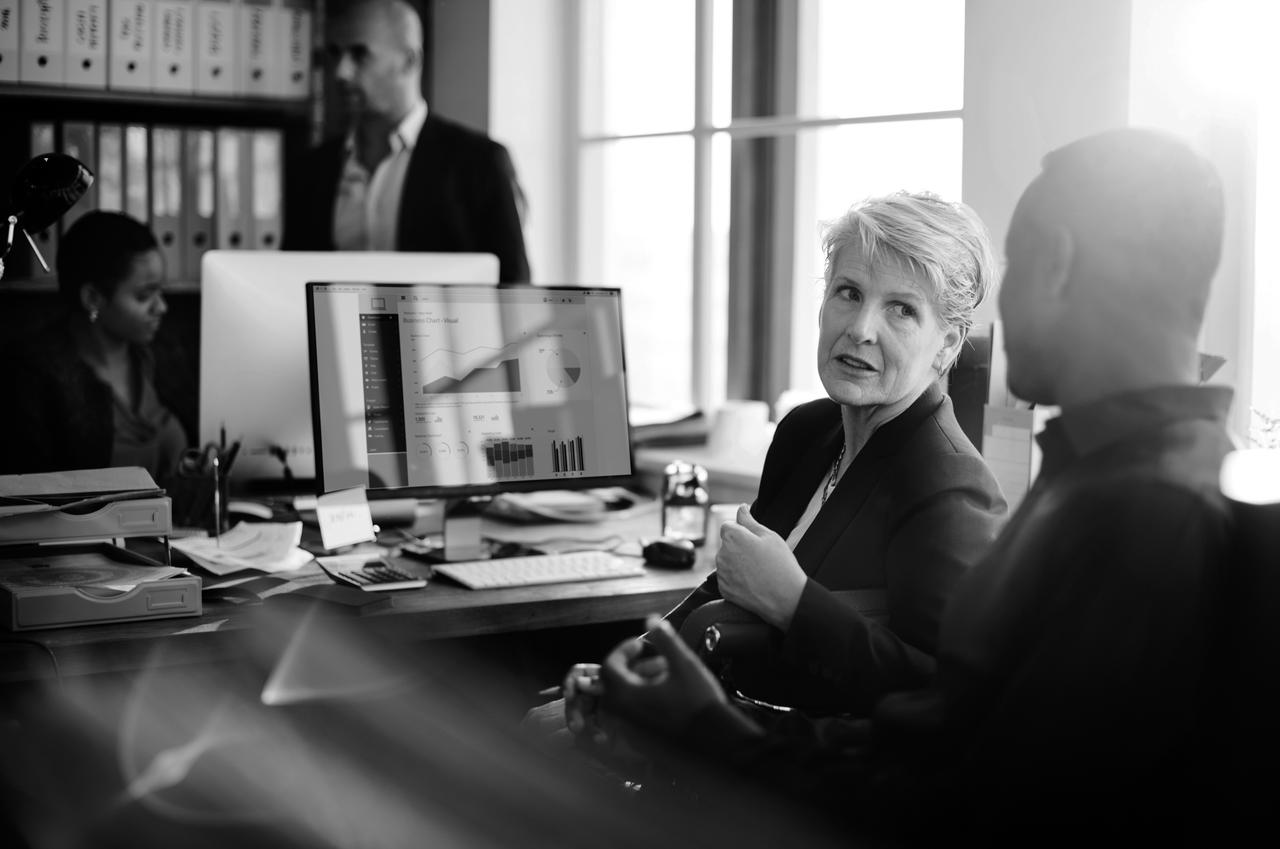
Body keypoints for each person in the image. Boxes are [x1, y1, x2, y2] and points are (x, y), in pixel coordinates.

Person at [587, 128, 1237, 842]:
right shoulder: (1108, 483)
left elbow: (957, 794)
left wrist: (715, 733)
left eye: (1013, 266)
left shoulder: (1138, 517)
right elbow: (942, 742)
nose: (863, 328)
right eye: (848, 293)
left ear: (1054, 266)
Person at [529, 192, 1007, 738]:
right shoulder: (808, 429)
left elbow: (939, 697)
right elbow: (729, 586)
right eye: (849, 293)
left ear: (946, 344)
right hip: (724, 735)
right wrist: (621, 678)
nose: (861, 328)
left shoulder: (949, 484)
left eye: (902, 309)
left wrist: (795, 604)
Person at [281, 0, 531, 285]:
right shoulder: (310, 170)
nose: (341, 72)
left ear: (410, 60)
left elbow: (516, 294)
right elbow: (291, 285)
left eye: (359, 54)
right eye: (335, 54)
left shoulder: (480, 163)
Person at [0, 211, 188, 482]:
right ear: (93, 298)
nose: (162, 307)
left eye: (161, 291)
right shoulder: (32, 374)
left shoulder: (157, 354)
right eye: (144, 295)